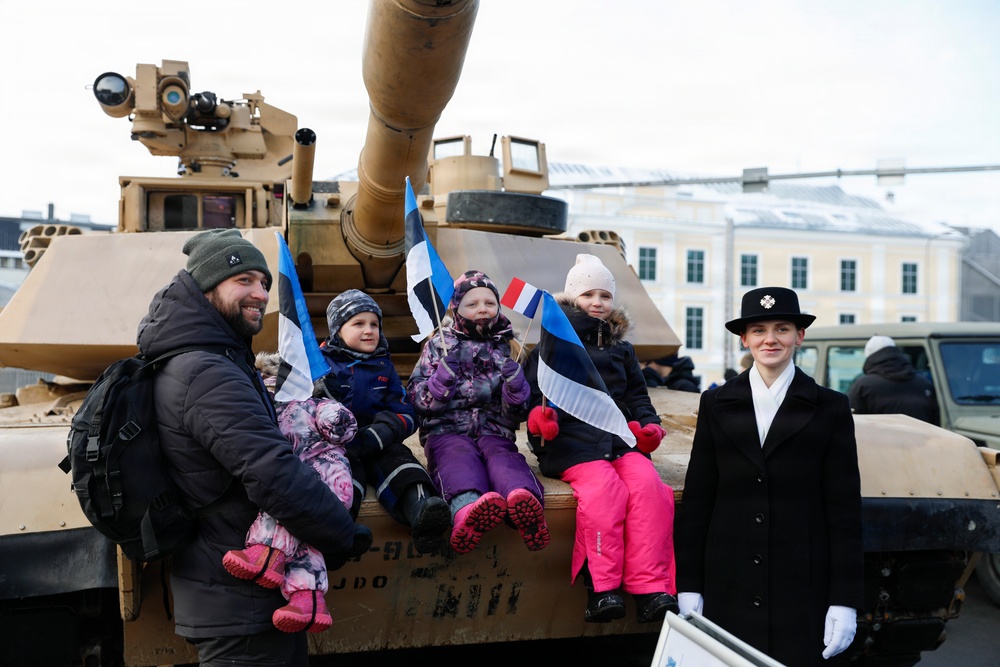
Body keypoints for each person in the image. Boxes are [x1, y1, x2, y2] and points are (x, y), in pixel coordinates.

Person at [136, 228, 356, 666]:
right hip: (238, 603)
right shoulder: (206, 370)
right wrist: (344, 533)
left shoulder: (208, 358)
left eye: (264, 283)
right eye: (243, 281)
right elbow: (271, 471)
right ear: (206, 286)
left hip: (243, 598)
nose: (260, 293)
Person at [675, 286, 863, 666]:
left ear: (799, 336)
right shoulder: (715, 403)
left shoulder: (830, 407)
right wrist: (689, 585)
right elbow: (699, 499)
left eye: (782, 328)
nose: (770, 339)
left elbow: (844, 510)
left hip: (802, 584)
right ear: (744, 339)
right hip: (728, 582)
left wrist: (845, 600)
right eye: (759, 330)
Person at [522, 254, 678, 625]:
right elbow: (530, 396)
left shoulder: (621, 350)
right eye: (588, 294)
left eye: (604, 296)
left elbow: (638, 397)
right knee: (605, 493)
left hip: (620, 441)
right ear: (573, 297)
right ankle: (602, 588)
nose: (597, 302)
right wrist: (537, 420)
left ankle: (650, 589)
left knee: (649, 489)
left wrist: (648, 426)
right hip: (570, 444)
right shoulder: (552, 342)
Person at [222, 352, 368, 634]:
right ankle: (309, 602)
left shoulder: (311, 403)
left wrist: (335, 415)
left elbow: (341, 426)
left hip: (323, 476)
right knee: (306, 542)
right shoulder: (264, 409)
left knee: (281, 504)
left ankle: (266, 556)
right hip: (316, 481)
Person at [407, 270, 549, 554]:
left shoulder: (508, 346)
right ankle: (466, 512)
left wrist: (517, 390)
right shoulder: (438, 345)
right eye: (472, 304)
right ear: (455, 308)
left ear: (498, 307)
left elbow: (516, 413)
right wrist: (440, 383)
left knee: (505, 461)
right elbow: (417, 398)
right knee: (457, 462)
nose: (482, 308)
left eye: (489, 302)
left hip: (494, 429)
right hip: (446, 430)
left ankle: (522, 504)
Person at [315, 289, 452, 554]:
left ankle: (423, 512)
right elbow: (302, 411)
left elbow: (405, 412)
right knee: (342, 480)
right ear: (337, 330)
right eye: (358, 323)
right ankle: (341, 531)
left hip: (378, 440)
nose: (369, 330)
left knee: (402, 462)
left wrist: (383, 432)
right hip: (338, 446)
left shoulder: (383, 365)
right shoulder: (320, 366)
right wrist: (319, 393)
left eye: (374, 324)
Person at [847, 335, 940, 426]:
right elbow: (936, 423)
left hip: (877, 441)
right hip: (920, 440)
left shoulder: (863, 385)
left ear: (870, 356)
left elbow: (850, 423)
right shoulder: (924, 384)